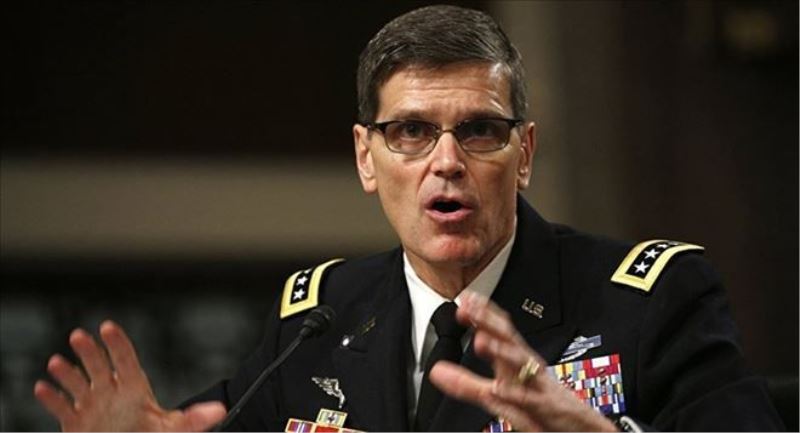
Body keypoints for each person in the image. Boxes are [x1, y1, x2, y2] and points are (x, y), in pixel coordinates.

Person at [33, 5, 784, 432]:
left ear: (524, 154)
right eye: (412, 132)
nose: (446, 161)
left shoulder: (650, 302)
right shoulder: (316, 319)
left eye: (479, 131)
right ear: (367, 159)